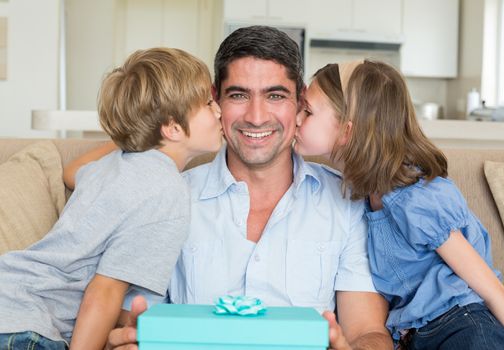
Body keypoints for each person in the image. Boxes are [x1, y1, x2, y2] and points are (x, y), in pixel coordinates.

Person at [64, 27, 393, 350]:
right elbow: (131, 321)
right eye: (238, 95)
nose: (256, 116)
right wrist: (124, 339)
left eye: (275, 95)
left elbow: (366, 332)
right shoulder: (167, 198)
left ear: (300, 101)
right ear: (213, 99)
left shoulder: (346, 200)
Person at [0, 47, 222, 350]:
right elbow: (104, 292)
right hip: (29, 326)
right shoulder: (166, 190)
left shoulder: (117, 163)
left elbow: (71, 173)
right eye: (208, 104)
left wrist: (133, 134)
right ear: (172, 127)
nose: (219, 111)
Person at [294, 59, 504, 349]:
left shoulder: (416, 199)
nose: (296, 118)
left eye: (308, 111)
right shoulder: (364, 195)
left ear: (347, 131)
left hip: (464, 329)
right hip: (421, 337)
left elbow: (491, 289)